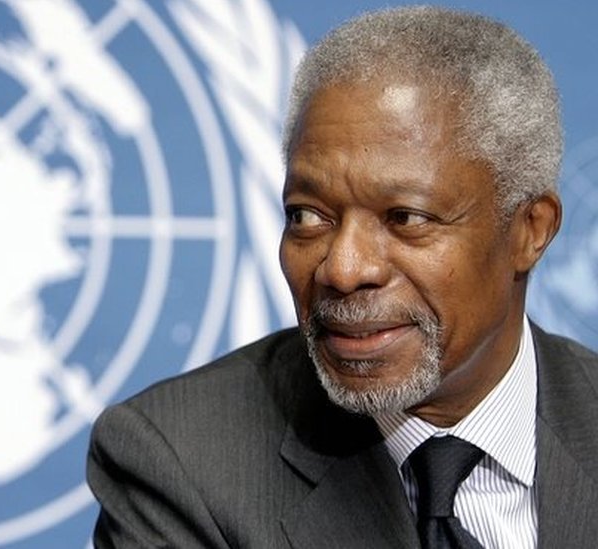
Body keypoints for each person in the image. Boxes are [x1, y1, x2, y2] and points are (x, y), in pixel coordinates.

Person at [86, 6, 598, 548]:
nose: (344, 269)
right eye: (307, 216)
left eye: (406, 219)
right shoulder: (179, 462)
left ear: (529, 231)